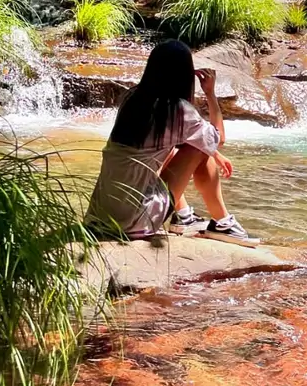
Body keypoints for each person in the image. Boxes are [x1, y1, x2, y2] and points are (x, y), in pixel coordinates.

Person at [85, 39, 260, 248]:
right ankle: (223, 223)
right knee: (199, 148)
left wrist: (215, 154)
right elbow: (218, 138)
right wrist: (211, 94)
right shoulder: (176, 110)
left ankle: (184, 216)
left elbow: (168, 145)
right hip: (131, 223)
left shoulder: (132, 98)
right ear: (184, 75)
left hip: (98, 219)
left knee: (188, 148)